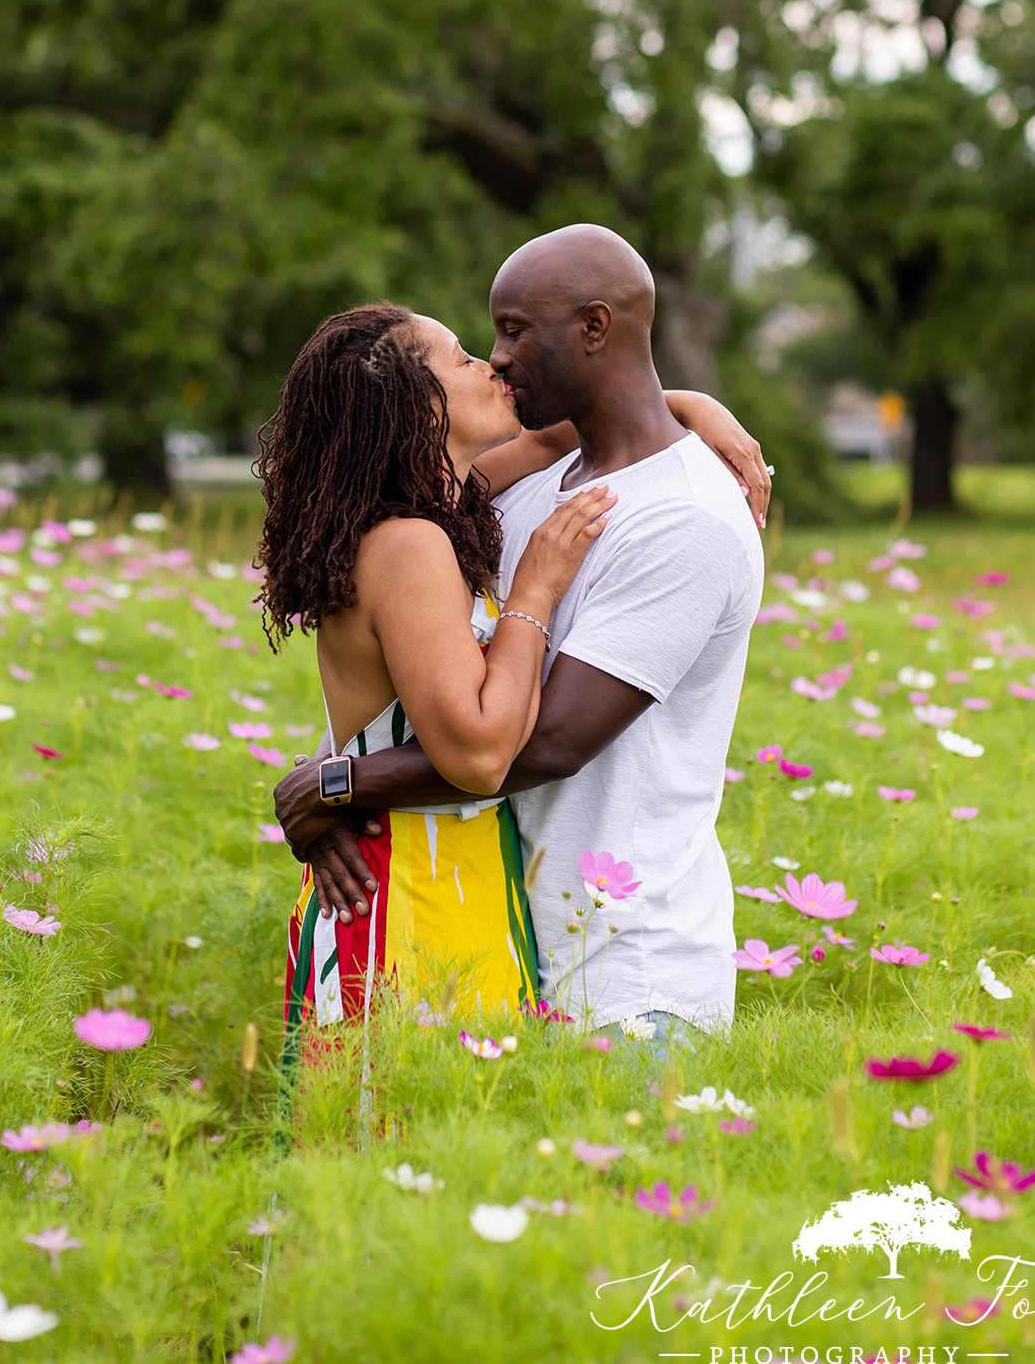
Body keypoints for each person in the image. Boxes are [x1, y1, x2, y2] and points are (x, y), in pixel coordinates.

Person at [273, 225, 767, 1045]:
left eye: (508, 332)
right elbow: (465, 731)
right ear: (410, 407)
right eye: (470, 350)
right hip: (463, 912)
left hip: (622, 966)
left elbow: (539, 742)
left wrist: (332, 785)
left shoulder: (667, 515)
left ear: (596, 328)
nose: (493, 360)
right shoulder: (447, 519)